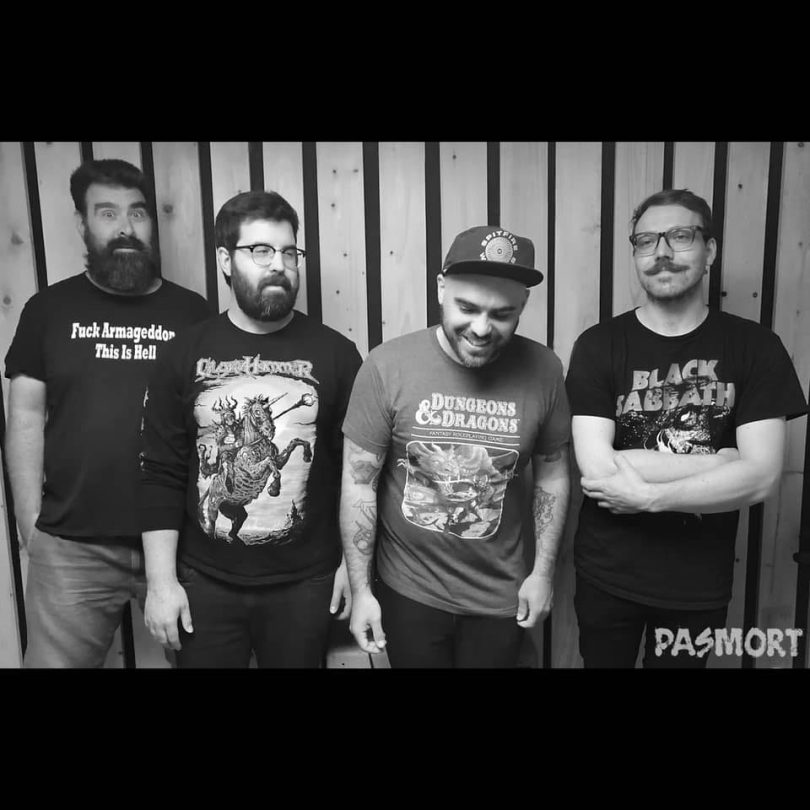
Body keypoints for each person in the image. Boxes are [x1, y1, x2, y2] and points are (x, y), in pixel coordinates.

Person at [565, 188, 808, 668]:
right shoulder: (598, 345)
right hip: (606, 575)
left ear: (709, 250)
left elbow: (761, 478)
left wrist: (649, 496)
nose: (661, 252)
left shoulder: (756, 347)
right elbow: (599, 468)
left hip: (698, 586)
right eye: (646, 241)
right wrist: (722, 462)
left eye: (680, 236)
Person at [139, 190, 361, 668]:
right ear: (226, 259)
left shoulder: (339, 355)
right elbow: (160, 473)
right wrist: (161, 584)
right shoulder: (183, 354)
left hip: (308, 583)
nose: (278, 264)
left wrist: (353, 570)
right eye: (260, 251)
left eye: (289, 252)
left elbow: (356, 476)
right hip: (204, 583)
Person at [4, 158, 211, 668]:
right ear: (82, 223)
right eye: (107, 213)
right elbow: (25, 415)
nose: (125, 228)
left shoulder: (193, 313)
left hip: (185, 543)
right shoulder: (47, 310)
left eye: (137, 213)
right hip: (74, 547)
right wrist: (31, 527)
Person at [340, 226, 571, 667]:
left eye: (502, 314)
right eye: (467, 308)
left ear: (523, 306)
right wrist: (361, 589)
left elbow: (553, 474)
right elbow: (359, 483)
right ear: (441, 288)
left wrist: (543, 574)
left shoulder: (544, 370)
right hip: (408, 590)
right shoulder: (387, 365)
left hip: (499, 595)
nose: (481, 328)